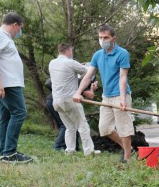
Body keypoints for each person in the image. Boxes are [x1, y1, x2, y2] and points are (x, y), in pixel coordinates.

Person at [73, 24, 134, 162]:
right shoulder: (98, 55)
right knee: (104, 128)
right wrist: (78, 92)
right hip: (106, 97)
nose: (102, 40)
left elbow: (123, 77)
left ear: (113, 38)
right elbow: (88, 75)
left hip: (120, 94)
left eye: (105, 37)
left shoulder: (122, 53)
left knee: (124, 128)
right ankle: (127, 148)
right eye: (100, 38)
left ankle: (128, 160)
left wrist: (123, 99)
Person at [0, 12, 32, 164]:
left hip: (6, 84)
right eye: (20, 28)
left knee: (7, 116)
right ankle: (10, 153)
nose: (20, 32)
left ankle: (5, 153)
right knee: (19, 113)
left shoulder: (2, 36)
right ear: (15, 25)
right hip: (7, 84)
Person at [49, 43, 100, 156]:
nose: (71, 54)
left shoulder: (52, 63)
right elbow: (89, 71)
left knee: (70, 127)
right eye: (71, 52)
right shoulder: (70, 62)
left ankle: (70, 150)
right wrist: (85, 66)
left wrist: (77, 66)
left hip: (56, 101)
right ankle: (89, 151)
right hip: (69, 99)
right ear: (68, 51)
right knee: (83, 126)